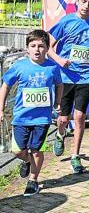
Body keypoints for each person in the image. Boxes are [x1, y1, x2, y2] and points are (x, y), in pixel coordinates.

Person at [48, 0, 89, 174]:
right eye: (83, 2)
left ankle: (76, 156)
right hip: (65, 76)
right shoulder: (65, 21)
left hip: (86, 75)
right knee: (63, 118)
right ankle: (60, 133)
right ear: (77, 2)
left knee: (80, 116)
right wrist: (59, 59)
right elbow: (47, 45)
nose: (86, 6)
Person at [0, 30, 62, 196]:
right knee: (17, 151)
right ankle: (27, 161)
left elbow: (59, 84)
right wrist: (1, 108)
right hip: (21, 117)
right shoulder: (20, 66)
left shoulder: (52, 68)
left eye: (41, 46)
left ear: (47, 48)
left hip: (42, 118)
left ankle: (33, 180)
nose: (37, 49)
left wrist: (57, 102)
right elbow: (5, 85)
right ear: (27, 48)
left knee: (37, 150)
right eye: (33, 46)